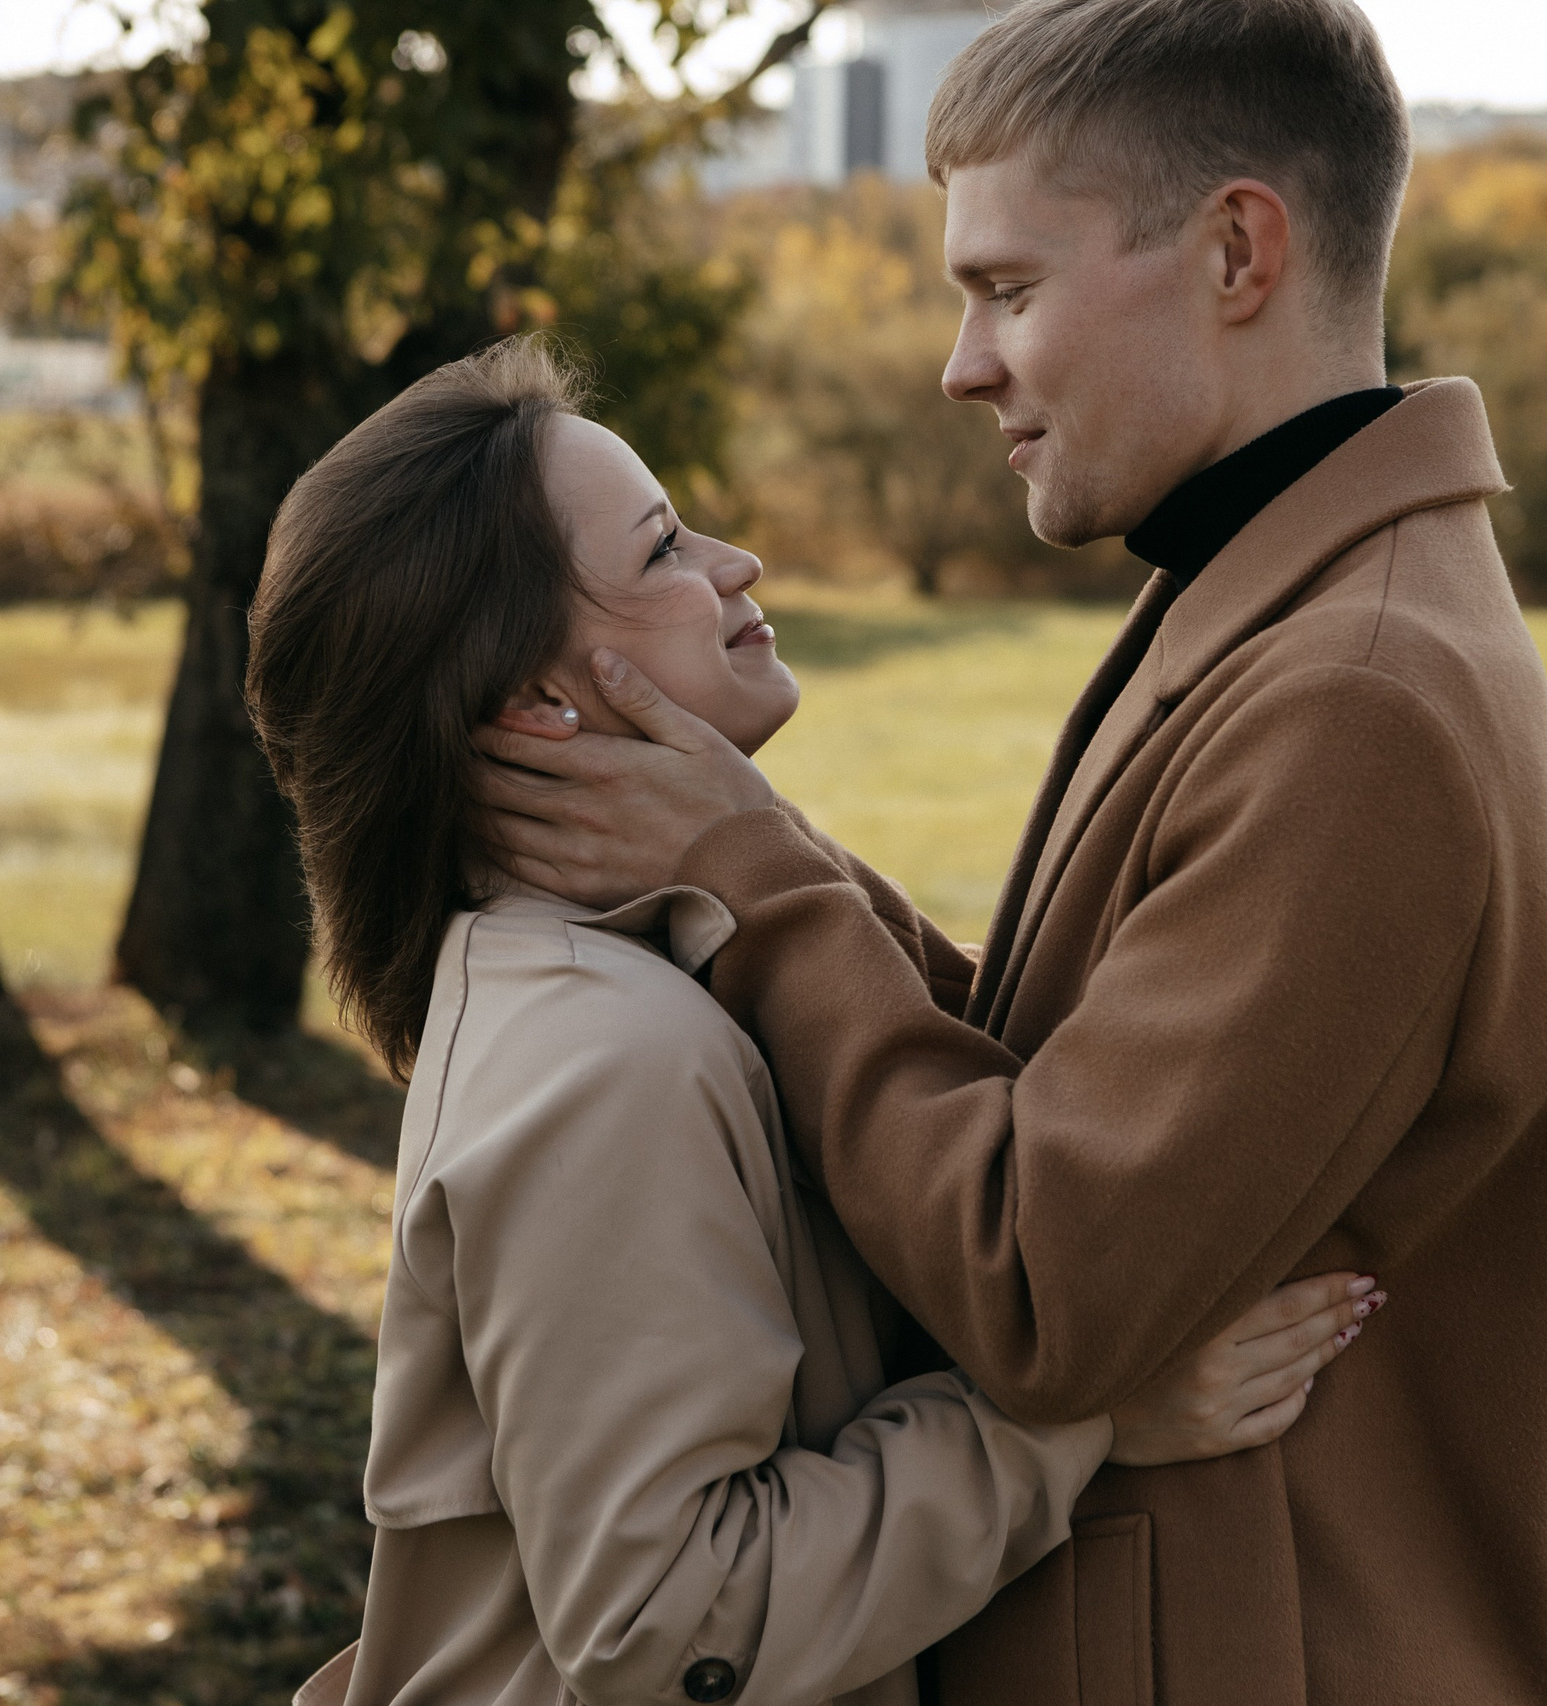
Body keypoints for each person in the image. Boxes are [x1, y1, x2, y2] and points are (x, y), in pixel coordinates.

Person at [467, 0, 1547, 1701]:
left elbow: (1047, 1288)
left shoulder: (1355, 695)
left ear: (1235, 251)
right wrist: (760, 850)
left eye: (1008, 288)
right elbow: (1068, 1071)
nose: (963, 362)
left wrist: (762, 880)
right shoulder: (1256, 591)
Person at [247, 338, 1381, 1706]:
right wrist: (1076, 1420)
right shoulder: (609, 1058)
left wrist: (756, 848)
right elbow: (669, 1623)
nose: (738, 564)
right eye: (665, 548)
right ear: (542, 702)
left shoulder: (637, 978)